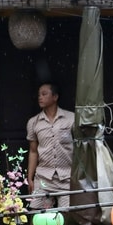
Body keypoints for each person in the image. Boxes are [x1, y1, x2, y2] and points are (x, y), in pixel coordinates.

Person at [26, 82, 74, 210]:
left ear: (55, 97)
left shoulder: (71, 119)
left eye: (44, 94)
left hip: (67, 177)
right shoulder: (33, 122)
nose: (40, 97)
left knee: (66, 215)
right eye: (39, 95)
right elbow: (33, 151)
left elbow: (81, 148)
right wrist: (29, 177)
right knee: (36, 214)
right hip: (43, 178)